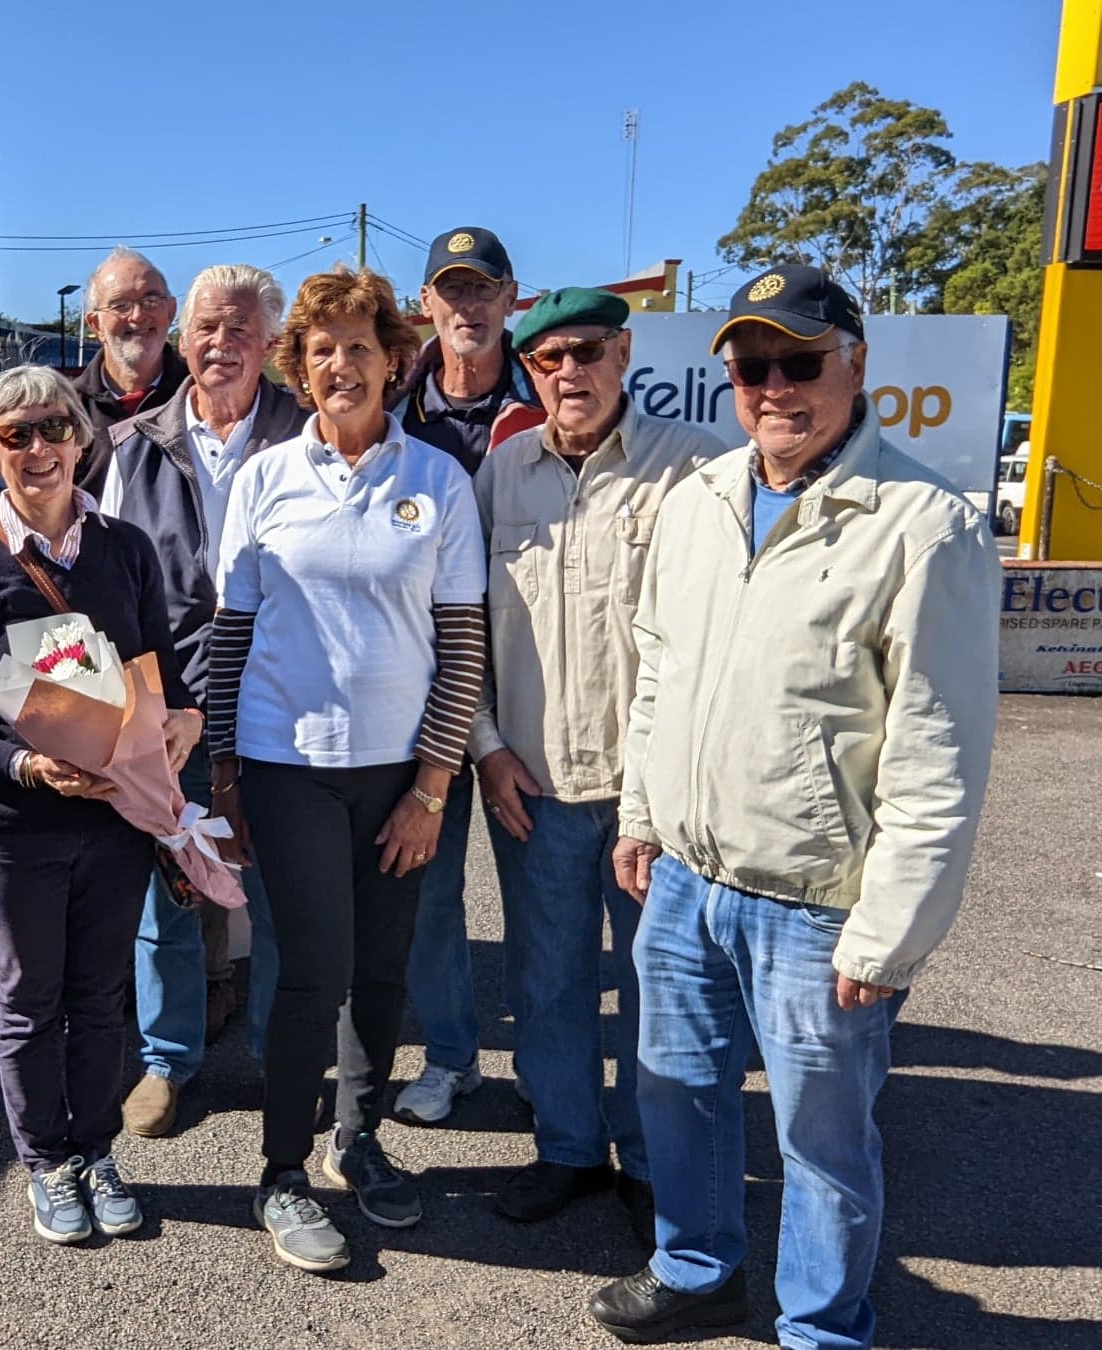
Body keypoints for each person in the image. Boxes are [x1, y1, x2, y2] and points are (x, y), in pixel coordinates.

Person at [589, 265, 1000, 1346]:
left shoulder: (924, 527)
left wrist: (892, 931)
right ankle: (694, 1265)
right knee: (676, 1092)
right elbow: (659, 671)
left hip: (818, 907)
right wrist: (641, 816)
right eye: (752, 366)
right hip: (683, 881)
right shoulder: (700, 501)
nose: (775, 386)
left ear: (856, 363)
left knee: (823, 1142)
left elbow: (939, 751)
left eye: (800, 361)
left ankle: (820, 1326)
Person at [209, 267, 488, 1272]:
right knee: (312, 971)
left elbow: (462, 646)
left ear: (392, 360)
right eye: (321, 349)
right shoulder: (264, 480)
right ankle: (282, 1172)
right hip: (288, 771)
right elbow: (229, 640)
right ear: (300, 364)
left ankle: (355, 1139)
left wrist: (430, 789)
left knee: (382, 970)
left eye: (359, 346)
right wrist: (223, 778)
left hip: (400, 781)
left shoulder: (438, 482)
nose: (340, 365)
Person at [0, 365, 201, 1246]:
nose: (38, 449)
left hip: (112, 824)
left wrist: (182, 720)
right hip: (16, 831)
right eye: (15, 434)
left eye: (54, 428)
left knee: (102, 998)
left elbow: (164, 673)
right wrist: (26, 765)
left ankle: (95, 1150)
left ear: (83, 437)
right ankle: (45, 1163)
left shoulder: (126, 550)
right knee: (31, 1001)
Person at [470, 287, 725, 1243]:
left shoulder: (693, 471)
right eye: (546, 359)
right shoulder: (502, 475)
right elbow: (467, 636)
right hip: (529, 786)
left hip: (645, 797)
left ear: (623, 355)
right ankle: (569, 1150)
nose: (566, 373)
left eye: (585, 352)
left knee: (663, 990)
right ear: (529, 372)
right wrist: (486, 750)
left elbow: (708, 641)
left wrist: (659, 797)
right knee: (547, 981)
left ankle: (654, 1165)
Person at [102, 264, 300, 1136]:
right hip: (169, 707)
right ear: (185, 342)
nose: (222, 345)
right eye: (208, 330)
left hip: (291, 701)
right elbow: (103, 588)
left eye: (242, 329)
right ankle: (167, 1060)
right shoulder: (134, 444)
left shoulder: (312, 430)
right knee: (170, 893)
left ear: (269, 343)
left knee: (288, 895)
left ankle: (281, 1056)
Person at [388, 226, 541, 1126]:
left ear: (511, 297)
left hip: (531, 694)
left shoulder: (554, 396)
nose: (468, 307)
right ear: (427, 307)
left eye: (483, 289)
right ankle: (452, 1056)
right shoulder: (398, 414)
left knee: (539, 898)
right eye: (451, 290)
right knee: (431, 892)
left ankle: (546, 1059)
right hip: (426, 698)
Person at [71, 247, 188, 491]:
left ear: (171, 311)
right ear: (95, 324)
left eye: (151, 301)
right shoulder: (68, 408)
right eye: (120, 305)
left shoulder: (199, 398)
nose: (137, 316)